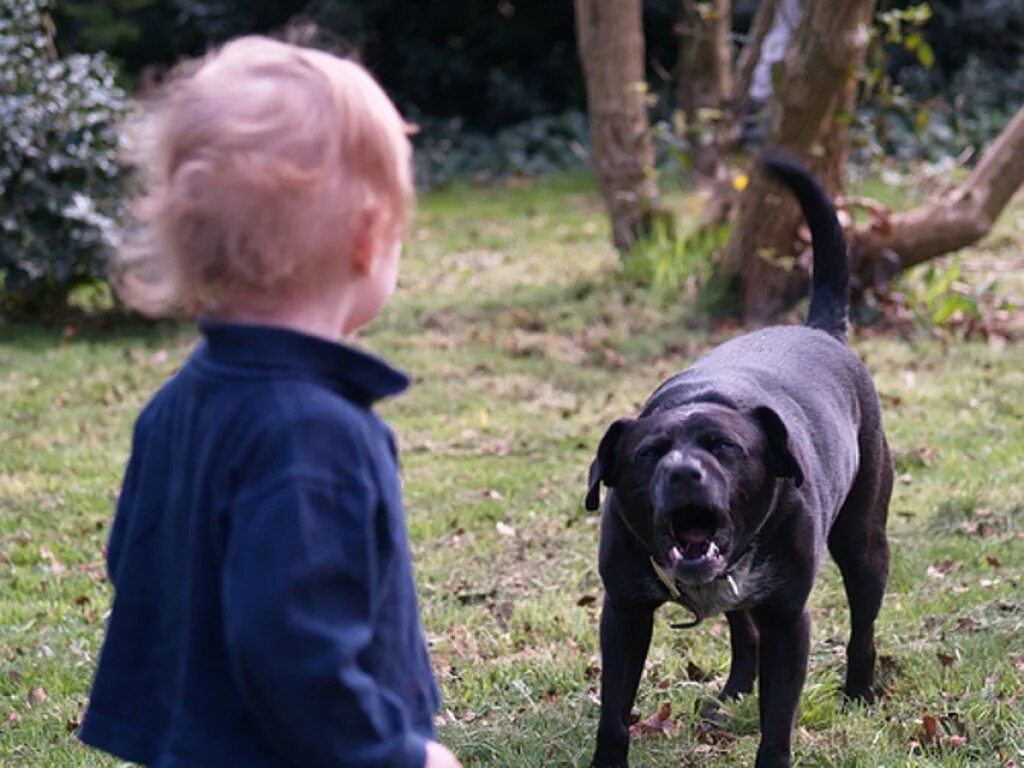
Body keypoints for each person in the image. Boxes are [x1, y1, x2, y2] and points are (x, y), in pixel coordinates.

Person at [78, 36, 460, 768]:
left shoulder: (176, 403)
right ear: (369, 238)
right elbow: (293, 644)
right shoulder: (316, 434)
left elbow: (134, 559)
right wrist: (397, 756)